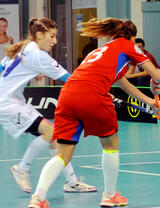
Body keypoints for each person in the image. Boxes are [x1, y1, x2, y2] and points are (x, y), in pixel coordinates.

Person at [26, 17, 160, 208]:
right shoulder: (127, 45)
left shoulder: (100, 51)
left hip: (67, 94)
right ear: (130, 36)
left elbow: (124, 84)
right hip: (93, 95)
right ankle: (109, 195)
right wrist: (155, 85)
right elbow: (158, 76)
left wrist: (150, 102)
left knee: (63, 153)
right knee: (110, 146)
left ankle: (38, 198)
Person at [0, 17, 96, 194]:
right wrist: (95, 89)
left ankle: (72, 182)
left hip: (12, 100)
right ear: (39, 35)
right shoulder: (39, 55)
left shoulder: (23, 46)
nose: (55, 41)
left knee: (53, 139)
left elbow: (1, 67)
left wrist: (27, 73)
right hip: (8, 103)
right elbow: (70, 79)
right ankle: (22, 168)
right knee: (52, 133)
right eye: (51, 36)